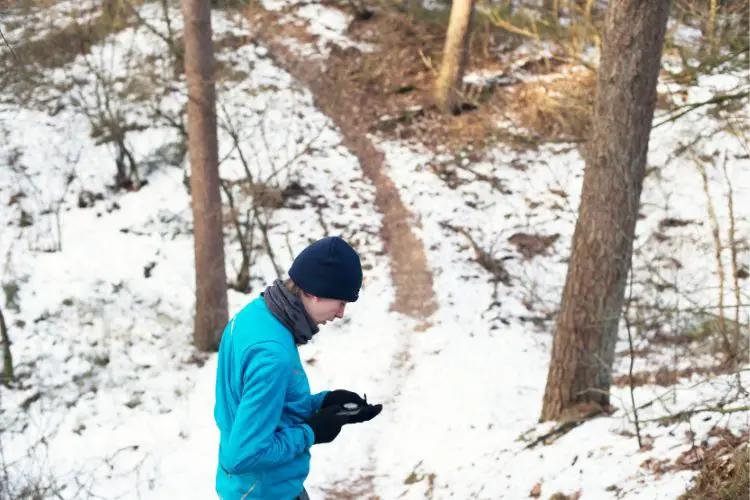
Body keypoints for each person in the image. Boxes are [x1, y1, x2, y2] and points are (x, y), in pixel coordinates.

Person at [214, 236, 383, 499]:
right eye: (340, 301)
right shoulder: (272, 354)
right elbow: (243, 456)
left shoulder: (255, 316)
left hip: (257, 487)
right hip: (265, 492)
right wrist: (311, 431)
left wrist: (322, 403)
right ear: (315, 292)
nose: (341, 313)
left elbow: (255, 406)